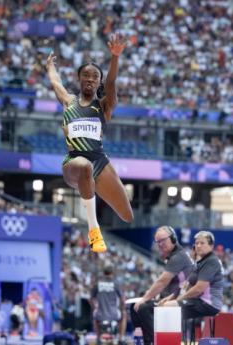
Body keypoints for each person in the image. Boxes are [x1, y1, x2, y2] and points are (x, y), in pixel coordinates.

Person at [45, 32, 134, 253]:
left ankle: (92, 189)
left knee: (127, 215)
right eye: (86, 75)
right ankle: (94, 231)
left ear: (98, 82)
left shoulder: (104, 106)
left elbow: (112, 83)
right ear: (80, 78)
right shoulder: (68, 101)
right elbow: (56, 82)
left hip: (100, 161)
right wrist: (49, 67)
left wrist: (115, 57)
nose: (90, 79)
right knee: (84, 165)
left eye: (95, 76)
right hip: (73, 162)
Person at [131, 226, 195, 345]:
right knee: (134, 307)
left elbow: (162, 282)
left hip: (180, 300)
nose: (160, 244)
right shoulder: (174, 255)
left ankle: (156, 342)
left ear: (173, 238)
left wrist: (145, 298)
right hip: (173, 297)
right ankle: (147, 341)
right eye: (158, 241)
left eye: (163, 240)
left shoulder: (178, 257)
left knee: (143, 307)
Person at [159, 231, 224, 320]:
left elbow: (199, 289)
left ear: (211, 246)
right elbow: (185, 285)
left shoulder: (211, 261)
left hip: (208, 304)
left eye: (202, 243)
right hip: (198, 301)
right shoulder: (200, 262)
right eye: (196, 243)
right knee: (163, 305)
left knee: (168, 307)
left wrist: (179, 299)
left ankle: (173, 334)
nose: (198, 246)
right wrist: (171, 297)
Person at [90, 265, 126, 345]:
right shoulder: (116, 283)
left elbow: (91, 298)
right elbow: (122, 299)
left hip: (100, 314)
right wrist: (121, 309)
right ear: (112, 273)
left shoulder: (98, 284)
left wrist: (94, 308)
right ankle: (121, 338)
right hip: (114, 314)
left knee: (95, 317)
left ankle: (98, 338)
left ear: (104, 273)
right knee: (124, 316)